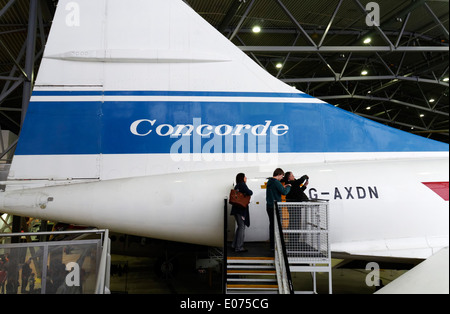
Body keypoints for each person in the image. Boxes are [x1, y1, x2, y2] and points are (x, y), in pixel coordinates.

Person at [266, 168, 291, 250]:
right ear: (279, 174)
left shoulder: (270, 181)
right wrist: (288, 187)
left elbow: (275, 189)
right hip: (275, 207)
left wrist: (282, 186)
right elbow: (284, 192)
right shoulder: (276, 182)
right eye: (282, 176)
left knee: (272, 225)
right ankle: (275, 245)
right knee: (276, 226)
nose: (282, 178)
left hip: (269, 206)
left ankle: (272, 245)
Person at [230, 173, 253, 253]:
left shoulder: (237, 186)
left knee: (240, 227)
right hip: (240, 210)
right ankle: (239, 247)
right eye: (245, 177)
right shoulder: (242, 185)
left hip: (236, 209)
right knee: (242, 227)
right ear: (242, 178)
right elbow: (250, 192)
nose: (246, 178)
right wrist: (249, 192)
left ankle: (234, 245)